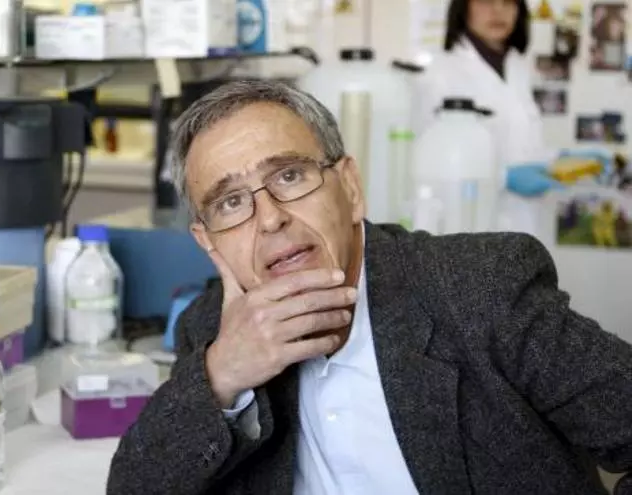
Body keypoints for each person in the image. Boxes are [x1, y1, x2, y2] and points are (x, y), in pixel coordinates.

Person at [106, 79, 632, 494]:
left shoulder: (480, 289)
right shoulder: (213, 332)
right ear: (207, 241)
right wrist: (222, 375)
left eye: (289, 176)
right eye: (231, 203)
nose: (269, 219)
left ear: (350, 187)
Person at [413, 0, 610, 235]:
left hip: (524, 226)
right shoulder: (438, 75)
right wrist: (503, 178)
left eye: (508, 2)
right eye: (486, 1)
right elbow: (423, 163)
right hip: (468, 227)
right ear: (463, 8)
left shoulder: (518, 68)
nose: (498, 10)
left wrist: (564, 159)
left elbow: (522, 150)